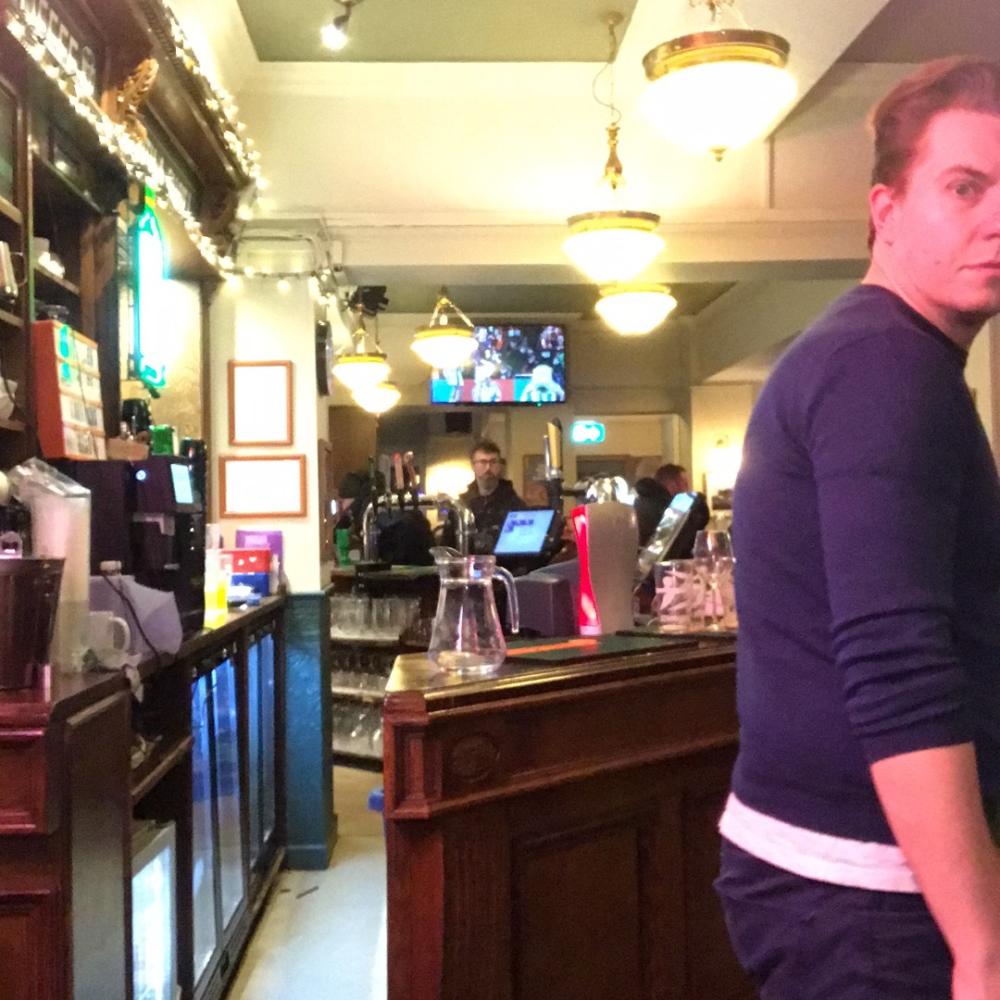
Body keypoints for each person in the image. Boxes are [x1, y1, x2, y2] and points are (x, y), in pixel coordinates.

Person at [715, 57, 1000, 1000]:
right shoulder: (887, 365)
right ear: (886, 210)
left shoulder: (873, 352)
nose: (997, 217)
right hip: (868, 893)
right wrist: (984, 945)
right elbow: (896, 660)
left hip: (830, 874)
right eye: (965, 187)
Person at [458, 439, 526, 553]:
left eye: (493, 462)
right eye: (483, 462)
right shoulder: (462, 505)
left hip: (504, 563)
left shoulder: (516, 505)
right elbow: (449, 546)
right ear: (473, 465)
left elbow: (523, 546)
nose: (488, 468)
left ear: (500, 465)